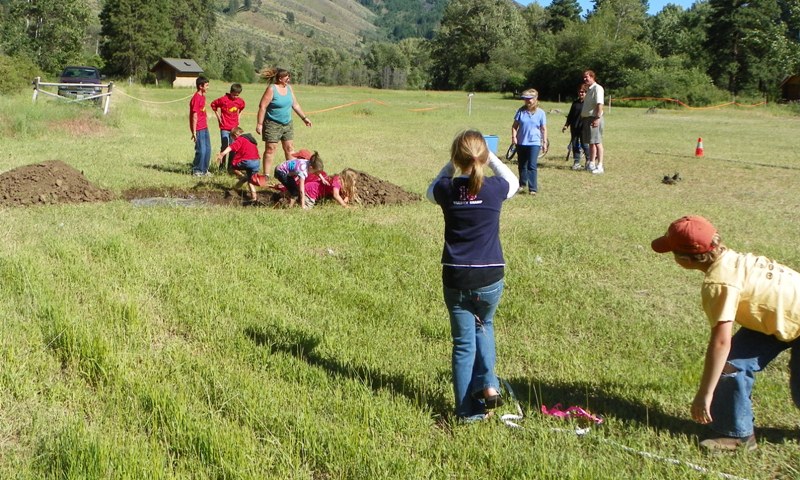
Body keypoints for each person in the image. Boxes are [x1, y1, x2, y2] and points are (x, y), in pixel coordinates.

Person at [651, 215, 800, 451]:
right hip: (775, 319)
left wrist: (704, 394)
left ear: (685, 259)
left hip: (790, 318)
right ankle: (738, 435)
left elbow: (720, 343)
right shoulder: (729, 258)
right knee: (731, 366)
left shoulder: (719, 283)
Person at [426, 130, 519, 422]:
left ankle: (468, 412)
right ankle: (489, 384)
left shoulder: (446, 189)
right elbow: (514, 182)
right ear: (483, 156)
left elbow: (430, 190)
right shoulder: (494, 189)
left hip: (456, 277)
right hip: (490, 276)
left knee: (464, 344)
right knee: (486, 326)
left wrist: (451, 165)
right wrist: (490, 157)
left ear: (457, 157)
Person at [255, 67, 312, 177]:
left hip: (287, 124)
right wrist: (260, 124)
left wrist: (304, 118)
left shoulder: (289, 88)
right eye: (287, 77)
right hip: (272, 124)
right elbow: (262, 106)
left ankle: (292, 174)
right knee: (271, 149)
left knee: (290, 148)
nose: (289, 78)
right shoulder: (272, 89)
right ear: (280, 78)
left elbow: (295, 105)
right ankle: (266, 175)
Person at [511, 88, 547, 196]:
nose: (527, 101)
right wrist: (514, 137)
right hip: (521, 142)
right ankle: (522, 184)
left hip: (534, 143)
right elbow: (514, 126)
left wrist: (544, 142)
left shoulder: (541, 113)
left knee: (532, 165)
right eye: (525, 99)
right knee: (522, 165)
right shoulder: (520, 111)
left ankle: (533, 188)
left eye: (529, 99)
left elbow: (543, 128)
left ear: (535, 99)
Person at [215, 127, 261, 203]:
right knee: (250, 180)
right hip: (256, 162)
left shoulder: (240, 139)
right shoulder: (250, 140)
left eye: (232, 138)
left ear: (235, 135)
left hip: (247, 161)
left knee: (231, 168)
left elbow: (231, 147)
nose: (233, 140)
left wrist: (222, 154)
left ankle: (241, 176)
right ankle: (254, 198)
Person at [211, 83, 246, 172]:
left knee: (233, 147)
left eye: (237, 95)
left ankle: (231, 167)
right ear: (230, 92)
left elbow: (242, 107)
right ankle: (222, 167)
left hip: (234, 128)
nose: (235, 97)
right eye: (234, 95)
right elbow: (213, 105)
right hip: (224, 127)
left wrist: (239, 117)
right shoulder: (223, 99)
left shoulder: (240, 101)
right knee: (224, 146)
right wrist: (219, 117)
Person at [580, 70, 605, 174]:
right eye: (584, 77)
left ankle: (600, 165)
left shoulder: (597, 88)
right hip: (587, 118)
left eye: (587, 77)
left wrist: (597, 118)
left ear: (592, 77)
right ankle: (591, 163)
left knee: (597, 142)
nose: (585, 79)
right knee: (591, 142)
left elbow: (599, 104)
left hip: (594, 118)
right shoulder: (589, 89)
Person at [562, 86, 590, 170]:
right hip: (574, 127)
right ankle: (576, 162)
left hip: (584, 127)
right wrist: (566, 125)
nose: (581, 93)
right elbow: (570, 115)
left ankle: (589, 161)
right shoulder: (575, 103)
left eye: (583, 92)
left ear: (586, 93)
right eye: (580, 92)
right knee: (575, 145)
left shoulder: (588, 103)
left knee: (584, 145)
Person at [189, 76, 211, 177]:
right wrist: (194, 132)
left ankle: (204, 170)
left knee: (208, 149)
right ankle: (197, 170)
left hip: (204, 127)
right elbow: (194, 116)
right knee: (201, 150)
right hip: (198, 128)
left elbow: (203, 112)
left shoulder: (203, 97)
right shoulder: (196, 98)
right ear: (200, 86)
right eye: (206, 85)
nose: (208, 87)